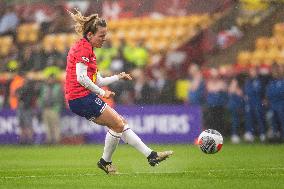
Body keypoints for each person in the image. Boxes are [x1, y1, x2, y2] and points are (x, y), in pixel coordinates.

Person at [65, 9, 173, 174]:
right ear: (89, 35)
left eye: (105, 34)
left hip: (81, 98)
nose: (104, 38)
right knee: (118, 124)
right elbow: (81, 78)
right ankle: (106, 161)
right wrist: (102, 93)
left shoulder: (87, 50)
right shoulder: (83, 49)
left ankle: (150, 155)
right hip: (81, 98)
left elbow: (97, 80)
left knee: (119, 124)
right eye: (101, 35)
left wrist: (118, 77)